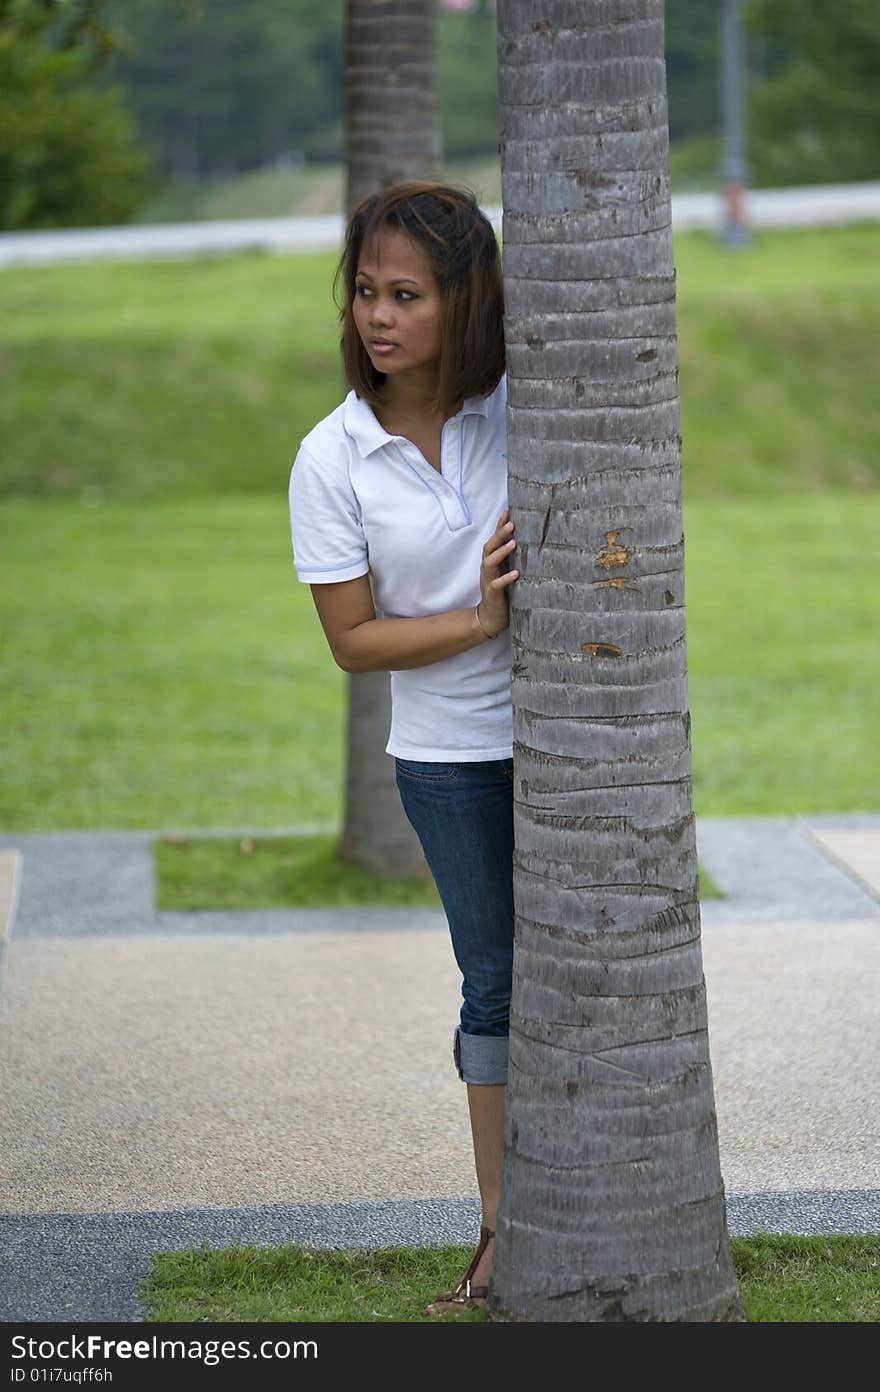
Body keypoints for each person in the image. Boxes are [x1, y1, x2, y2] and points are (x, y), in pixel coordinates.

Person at [288, 181, 517, 1316]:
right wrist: (477, 621)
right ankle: (496, 1230)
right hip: (449, 758)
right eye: (368, 293)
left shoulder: (525, 409)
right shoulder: (332, 458)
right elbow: (352, 638)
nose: (379, 317)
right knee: (497, 983)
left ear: (461, 303)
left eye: (407, 295)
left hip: (574, 746)